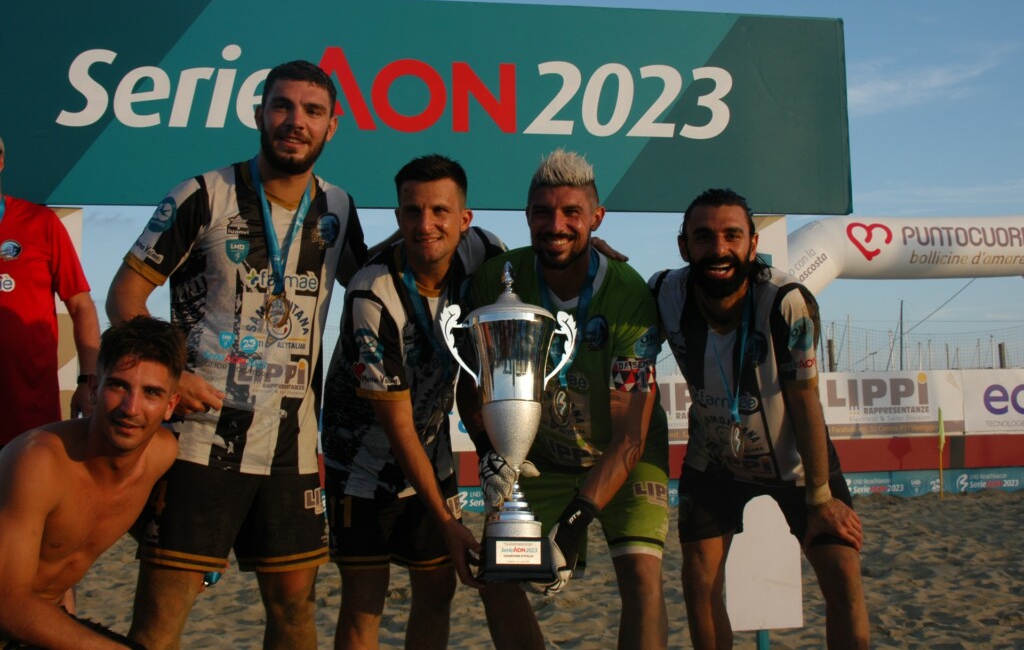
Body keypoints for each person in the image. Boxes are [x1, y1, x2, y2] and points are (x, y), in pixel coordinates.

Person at [106, 60, 367, 650]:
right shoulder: (202, 194)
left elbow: (379, 281)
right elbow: (124, 296)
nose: (295, 122)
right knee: (161, 620)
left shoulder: (340, 208)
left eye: (313, 111)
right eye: (282, 106)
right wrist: (172, 376)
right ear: (259, 114)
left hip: (291, 449)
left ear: (333, 127)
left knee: (295, 610)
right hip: (200, 440)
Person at [463, 149, 670, 650]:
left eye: (572, 213)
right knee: (496, 576)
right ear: (527, 216)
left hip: (623, 455)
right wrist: (493, 455)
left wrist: (576, 522)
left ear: (596, 218)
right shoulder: (498, 280)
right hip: (539, 456)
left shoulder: (628, 295)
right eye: (543, 212)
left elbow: (628, 437)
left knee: (642, 581)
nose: (556, 225)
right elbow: (471, 383)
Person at [649, 188, 869, 649]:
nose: (719, 249)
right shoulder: (663, 291)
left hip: (796, 464)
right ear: (683, 246)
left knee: (843, 579)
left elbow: (806, 400)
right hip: (714, 461)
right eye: (704, 237)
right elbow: (613, 297)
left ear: (752, 244)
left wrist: (821, 496)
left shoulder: (788, 301)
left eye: (732, 235)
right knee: (699, 584)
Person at [321, 153, 507, 649]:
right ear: (398, 215)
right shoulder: (371, 293)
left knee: (437, 589)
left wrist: (589, 251)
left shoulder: (488, 254)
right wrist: (448, 522)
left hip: (431, 445)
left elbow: (476, 365)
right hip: (359, 460)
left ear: (465, 219)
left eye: (440, 211)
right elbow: (396, 426)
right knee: (365, 601)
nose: (426, 225)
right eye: (412, 211)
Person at [0, 316, 184, 649]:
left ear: (170, 405)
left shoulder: (161, 455)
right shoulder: (39, 462)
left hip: (44, 618)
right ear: (94, 389)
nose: (132, 408)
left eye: (152, 393)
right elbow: (6, 602)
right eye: (118, 386)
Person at [0, 134, 101, 448]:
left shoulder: (40, 223)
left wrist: (88, 379)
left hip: (27, 414)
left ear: (1, 162)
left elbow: (81, 306)